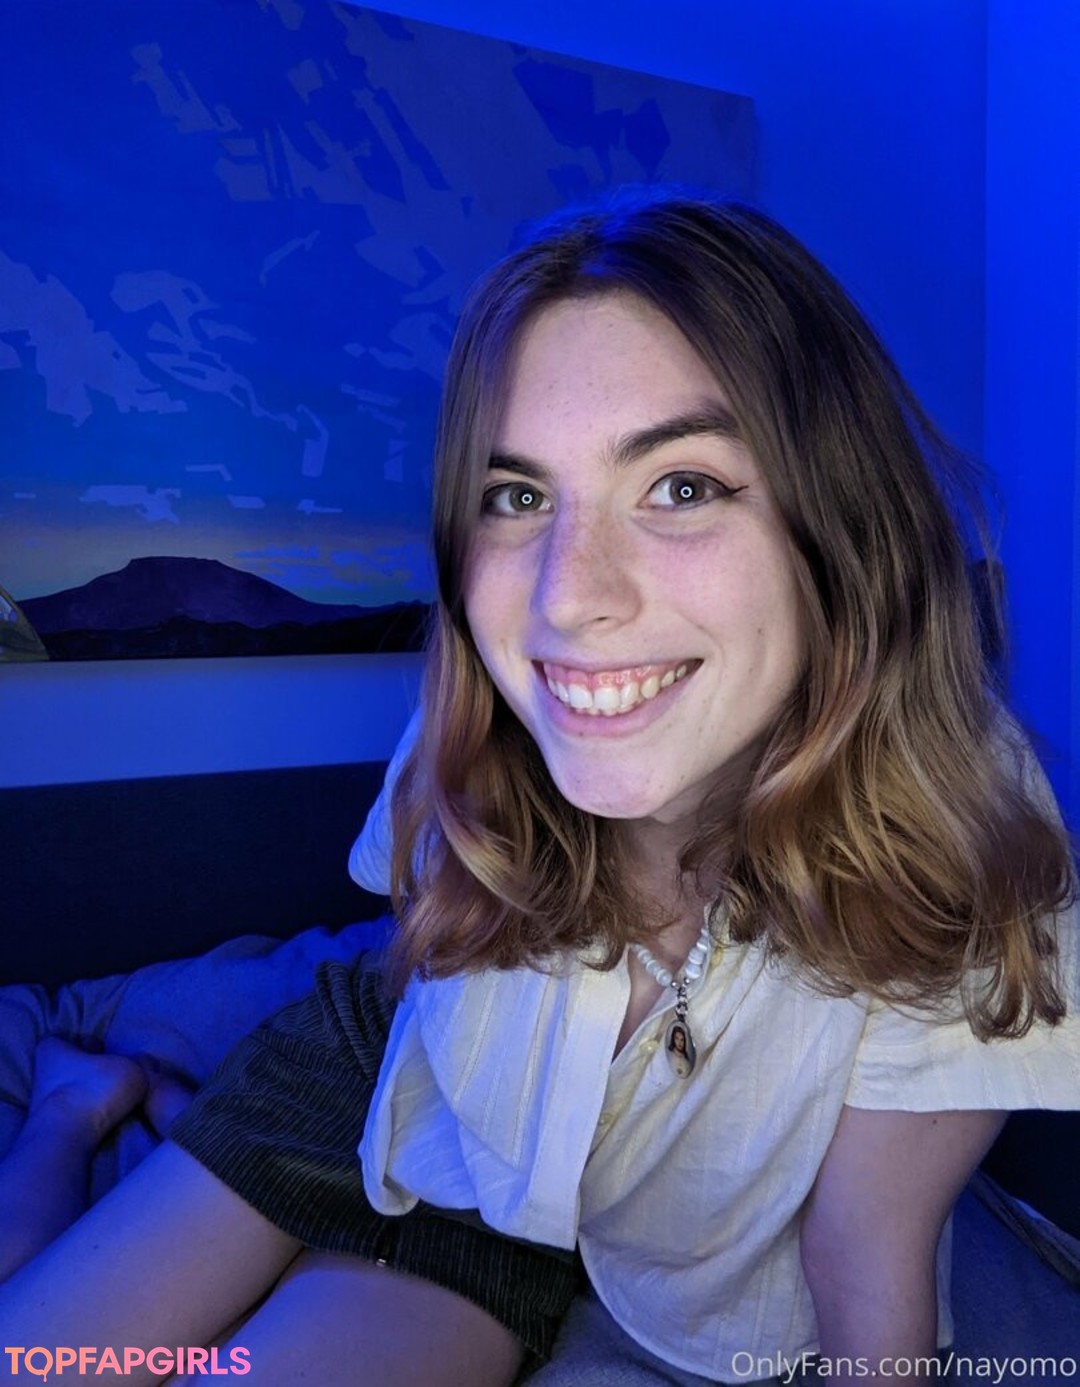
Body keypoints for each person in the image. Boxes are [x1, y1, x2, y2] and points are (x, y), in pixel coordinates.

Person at [0, 190, 1076, 1387]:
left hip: (493, 1225)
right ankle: (71, 1107)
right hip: (357, 1067)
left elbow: (866, 1260)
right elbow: (422, 945)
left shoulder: (958, 834)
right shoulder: (489, 724)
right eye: (517, 497)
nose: (567, 597)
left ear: (844, 527)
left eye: (681, 485)